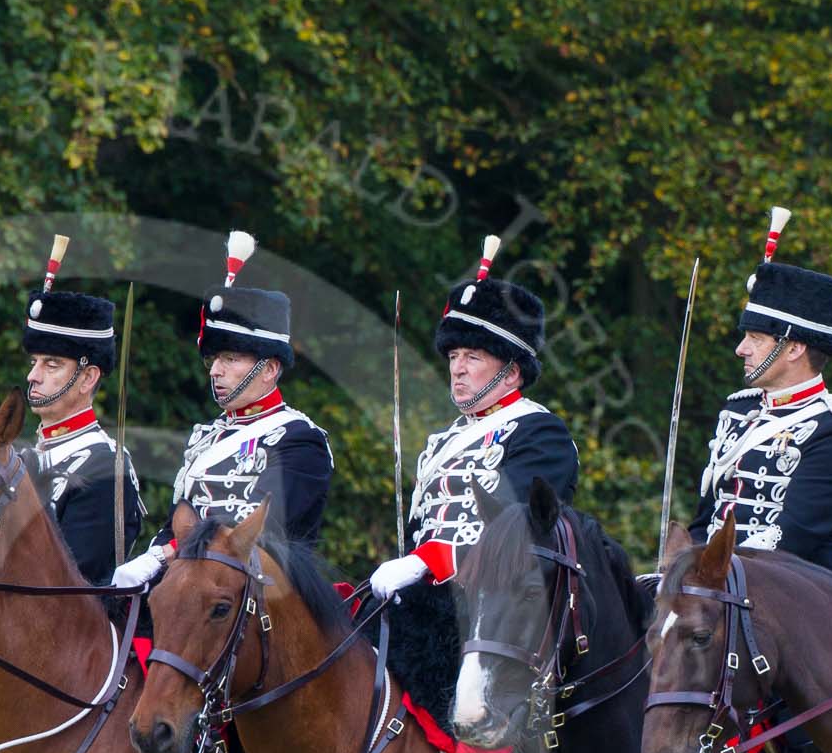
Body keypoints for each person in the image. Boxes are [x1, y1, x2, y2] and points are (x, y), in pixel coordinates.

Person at [112, 231, 332, 589]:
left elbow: (259, 534)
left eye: (230, 358)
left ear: (270, 369)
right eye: (215, 359)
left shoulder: (299, 440)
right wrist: (151, 558)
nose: (215, 370)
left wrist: (164, 555)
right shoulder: (206, 437)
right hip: (189, 586)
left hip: (261, 599)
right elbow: (178, 523)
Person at [368, 234, 579, 600]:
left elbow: (517, 530)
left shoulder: (541, 434)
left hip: (498, 606)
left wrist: (426, 562)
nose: (458, 369)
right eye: (453, 357)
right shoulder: (443, 441)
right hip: (427, 595)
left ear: (511, 373)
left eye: (473, 357)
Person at [687, 208, 832, 572]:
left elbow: (793, 540)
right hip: (715, 591)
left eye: (755, 338)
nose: (741, 349)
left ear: (795, 348)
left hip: (788, 596)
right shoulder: (738, 412)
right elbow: (705, 520)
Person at [19, 235, 144, 585]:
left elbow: (68, 583)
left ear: (88, 377)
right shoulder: (27, 456)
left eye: (52, 364)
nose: (33, 375)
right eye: (35, 362)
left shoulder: (103, 466)